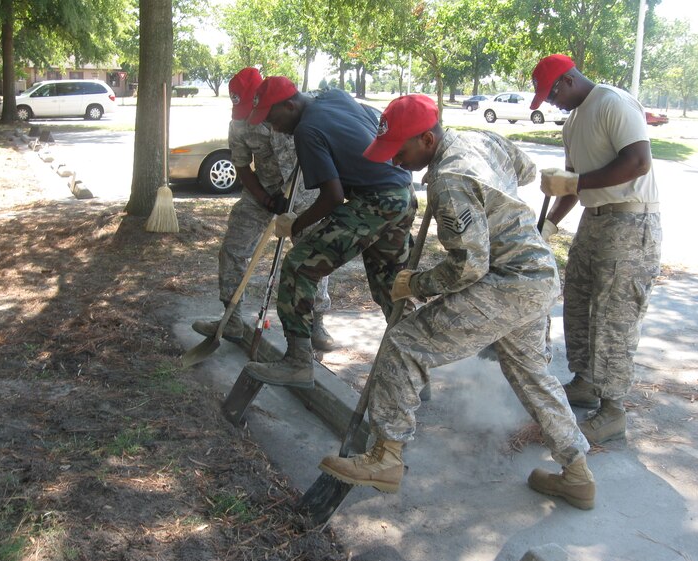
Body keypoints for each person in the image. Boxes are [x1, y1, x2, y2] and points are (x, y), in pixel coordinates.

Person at [317, 94, 596, 510]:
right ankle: (577, 473)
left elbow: (469, 268)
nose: (394, 162)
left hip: (509, 280)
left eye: (400, 151)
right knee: (531, 373)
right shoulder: (480, 138)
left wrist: (415, 283)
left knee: (404, 343)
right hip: (537, 275)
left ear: (428, 140)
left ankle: (385, 457)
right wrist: (493, 202)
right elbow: (524, 169)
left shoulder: (449, 180)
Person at [241, 77, 417, 390]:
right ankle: (416, 368)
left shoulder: (307, 131)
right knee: (391, 287)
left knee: (299, 266)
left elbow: (332, 197)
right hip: (402, 193)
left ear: (290, 105)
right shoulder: (335, 97)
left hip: (374, 200)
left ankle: (297, 363)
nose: (272, 127)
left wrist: (294, 225)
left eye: (273, 118)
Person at [531, 54, 662, 444]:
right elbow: (576, 183)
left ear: (567, 80)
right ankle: (586, 382)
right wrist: (550, 223)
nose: (551, 103)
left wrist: (574, 184)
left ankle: (613, 411)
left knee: (614, 315)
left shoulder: (613, 103)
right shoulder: (572, 123)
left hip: (630, 220)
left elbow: (638, 162)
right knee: (580, 301)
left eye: (551, 94)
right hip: (595, 220)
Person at [191, 67, 335, 352]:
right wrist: (267, 199)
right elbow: (242, 166)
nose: (245, 114)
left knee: (314, 255)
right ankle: (230, 318)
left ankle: (316, 322)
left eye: (249, 106)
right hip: (264, 193)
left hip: (305, 193)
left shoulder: (297, 108)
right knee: (233, 248)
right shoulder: (239, 125)